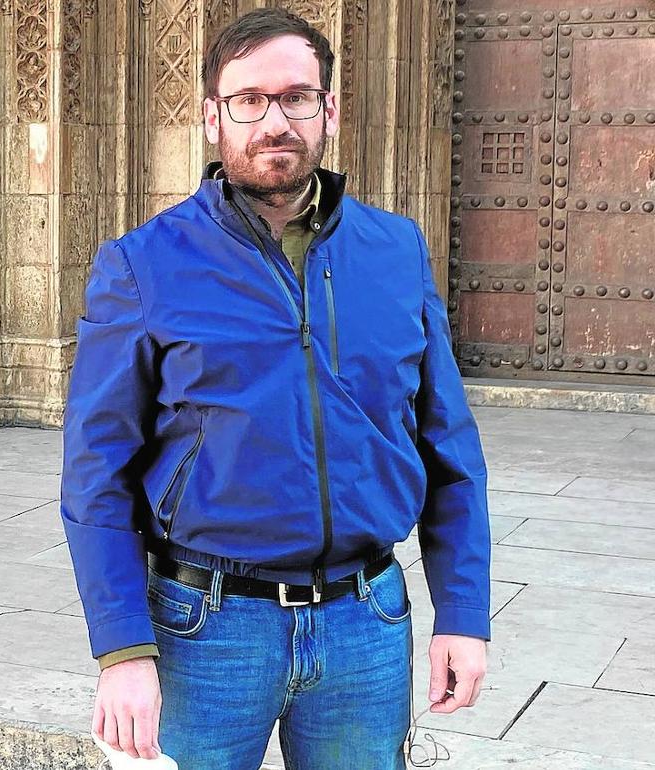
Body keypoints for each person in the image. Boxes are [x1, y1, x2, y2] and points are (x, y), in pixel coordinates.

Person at [59, 8, 491, 769]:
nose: (273, 121)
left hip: (366, 624)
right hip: (205, 630)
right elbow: (97, 474)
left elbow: (447, 445)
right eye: (248, 100)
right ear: (210, 117)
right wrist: (122, 649)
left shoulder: (395, 250)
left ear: (328, 110)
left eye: (296, 97)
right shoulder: (142, 265)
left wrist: (462, 613)